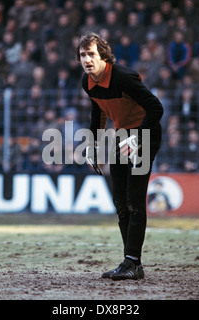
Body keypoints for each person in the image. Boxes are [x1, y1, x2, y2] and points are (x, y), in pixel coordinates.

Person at [76, 33, 163, 281]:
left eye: (91, 53)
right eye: (82, 55)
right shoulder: (88, 81)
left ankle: (132, 262)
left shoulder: (123, 77)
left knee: (134, 200)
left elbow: (156, 107)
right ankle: (132, 263)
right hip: (123, 136)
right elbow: (98, 113)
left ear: (103, 55)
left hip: (145, 134)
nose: (87, 59)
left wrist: (140, 136)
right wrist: (92, 146)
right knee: (120, 203)